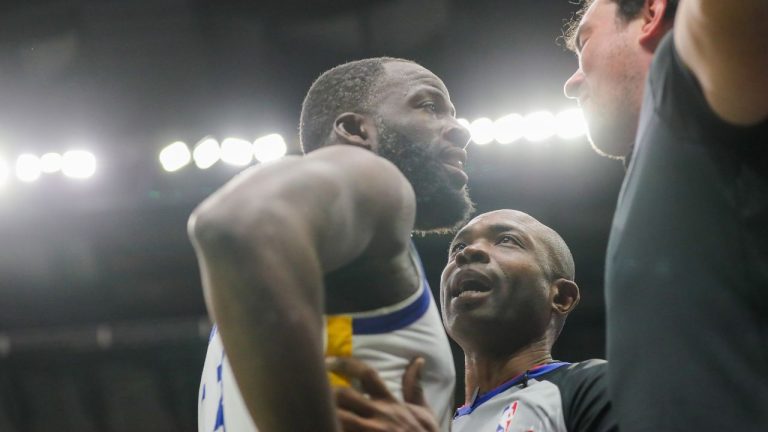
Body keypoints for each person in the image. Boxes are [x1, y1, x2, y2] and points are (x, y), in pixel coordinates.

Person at [188, 57, 473, 432]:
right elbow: (237, 224)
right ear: (357, 129)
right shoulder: (376, 178)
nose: (459, 130)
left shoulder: (272, 306)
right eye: (429, 106)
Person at [563, 0, 768, 430]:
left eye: (584, 41)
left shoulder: (680, 78)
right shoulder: (660, 159)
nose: (571, 81)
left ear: (652, 14)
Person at [331, 210, 617, 432]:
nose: (467, 253)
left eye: (507, 240)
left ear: (562, 297)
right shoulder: (426, 422)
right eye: (457, 248)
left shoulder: (596, 386)